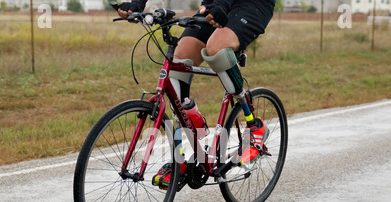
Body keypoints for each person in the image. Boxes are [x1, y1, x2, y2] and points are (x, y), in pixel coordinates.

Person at [117, 0, 276, 189]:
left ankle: (254, 125)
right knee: (180, 60)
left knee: (216, 48)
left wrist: (221, 5)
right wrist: (136, 4)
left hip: (251, 5)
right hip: (213, 5)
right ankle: (182, 158)